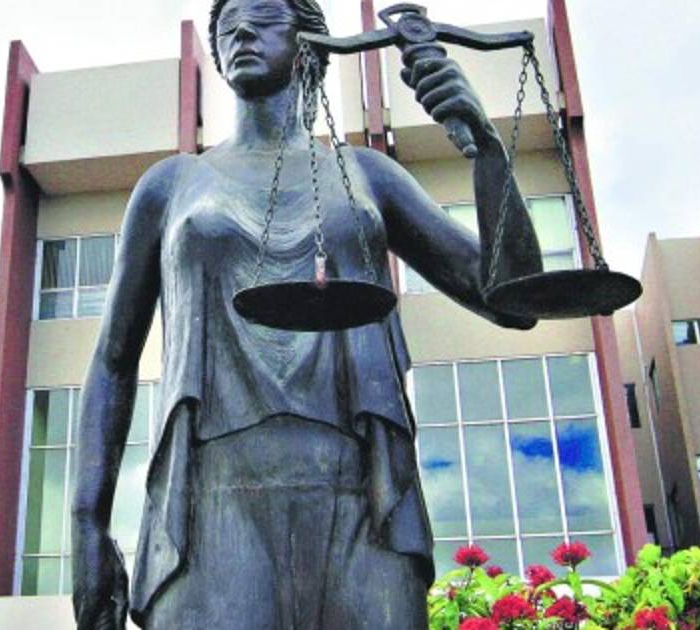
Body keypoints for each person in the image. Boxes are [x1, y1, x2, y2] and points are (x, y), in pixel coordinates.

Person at [70, 0, 543, 628]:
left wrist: (486, 149)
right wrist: (87, 524)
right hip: (212, 491)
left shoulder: (366, 175)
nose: (241, 29)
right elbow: (113, 359)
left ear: (311, 41)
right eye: (227, 23)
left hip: (362, 490)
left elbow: (512, 300)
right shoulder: (172, 185)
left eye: (264, 15)